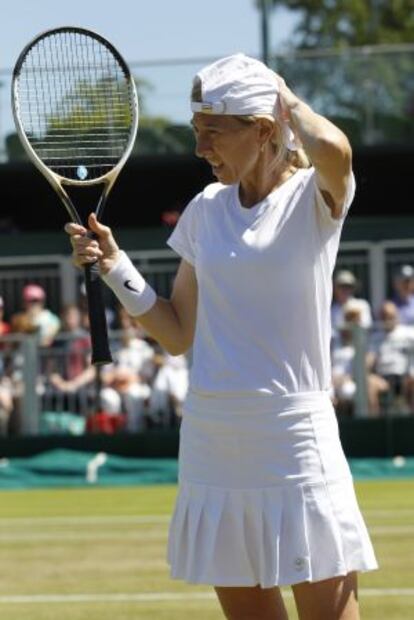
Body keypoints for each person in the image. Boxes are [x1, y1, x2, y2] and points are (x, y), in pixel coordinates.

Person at [65, 53, 377, 619]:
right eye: (195, 130)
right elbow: (178, 332)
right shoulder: (206, 209)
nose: (200, 147)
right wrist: (114, 267)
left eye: (213, 131)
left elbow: (338, 152)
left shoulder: (313, 196)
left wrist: (283, 96)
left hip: (295, 439)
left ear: (262, 130)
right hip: (214, 439)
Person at [331, 270, 372, 342]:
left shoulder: (362, 305)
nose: (345, 290)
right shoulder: (331, 310)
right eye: (341, 286)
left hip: (358, 346)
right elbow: (331, 334)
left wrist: (355, 323)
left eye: (348, 286)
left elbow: (366, 327)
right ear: (335, 288)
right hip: (337, 349)